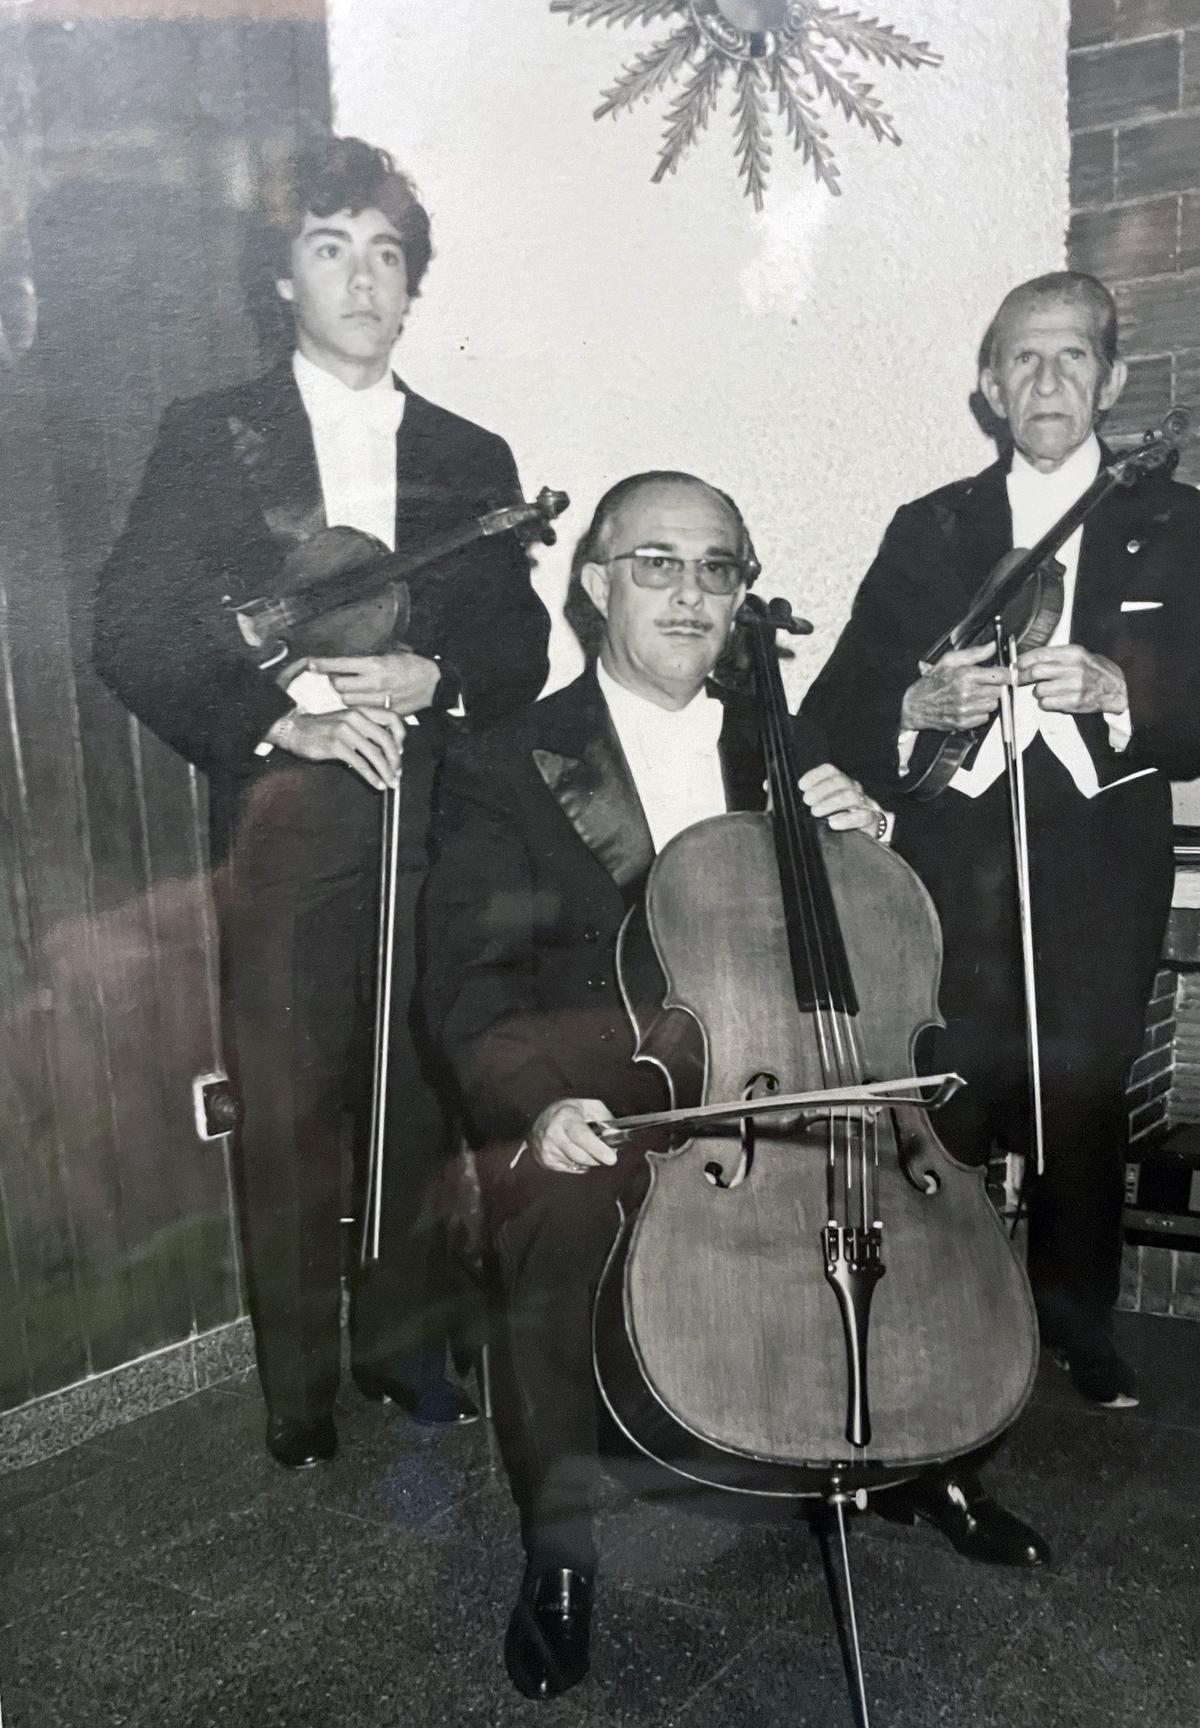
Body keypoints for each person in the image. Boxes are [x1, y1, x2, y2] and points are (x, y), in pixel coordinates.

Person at [422, 471, 1046, 1703]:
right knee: (548, 1227)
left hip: (783, 1088)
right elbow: (466, 983)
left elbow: (865, 946)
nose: (691, 593)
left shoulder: (783, 742)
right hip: (614, 1108)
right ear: (595, 585)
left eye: (720, 568)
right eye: (656, 562)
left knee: (922, 1181)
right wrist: (539, 1108)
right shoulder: (505, 758)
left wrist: (863, 831)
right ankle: (560, 1554)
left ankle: (925, 1457)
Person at [93, 135, 550, 1470]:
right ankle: (299, 1383)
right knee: (290, 1098)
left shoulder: (473, 451)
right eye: (330, 247)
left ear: (414, 288)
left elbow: (518, 650)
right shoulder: (211, 434)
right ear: (282, 276)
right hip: (292, 821)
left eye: (387, 253)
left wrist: (438, 673)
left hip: (436, 813)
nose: (363, 277)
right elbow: (130, 623)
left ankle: (404, 1346)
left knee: (424, 1080)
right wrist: (278, 713)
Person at [803, 271, 1200, 1410]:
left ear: (1113, 380)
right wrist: (911, 712)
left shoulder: (1176, 522)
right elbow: (840, 703)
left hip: (1101, 841)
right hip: (956, 841)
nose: (1048, 380)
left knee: (1084, 1085)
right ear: (989, 386)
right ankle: (939, 1310)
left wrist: (1123, 691)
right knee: (952, 1085)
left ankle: (1080, 1323)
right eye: (1023, 359)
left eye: (1072, 357)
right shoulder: (931, 526)